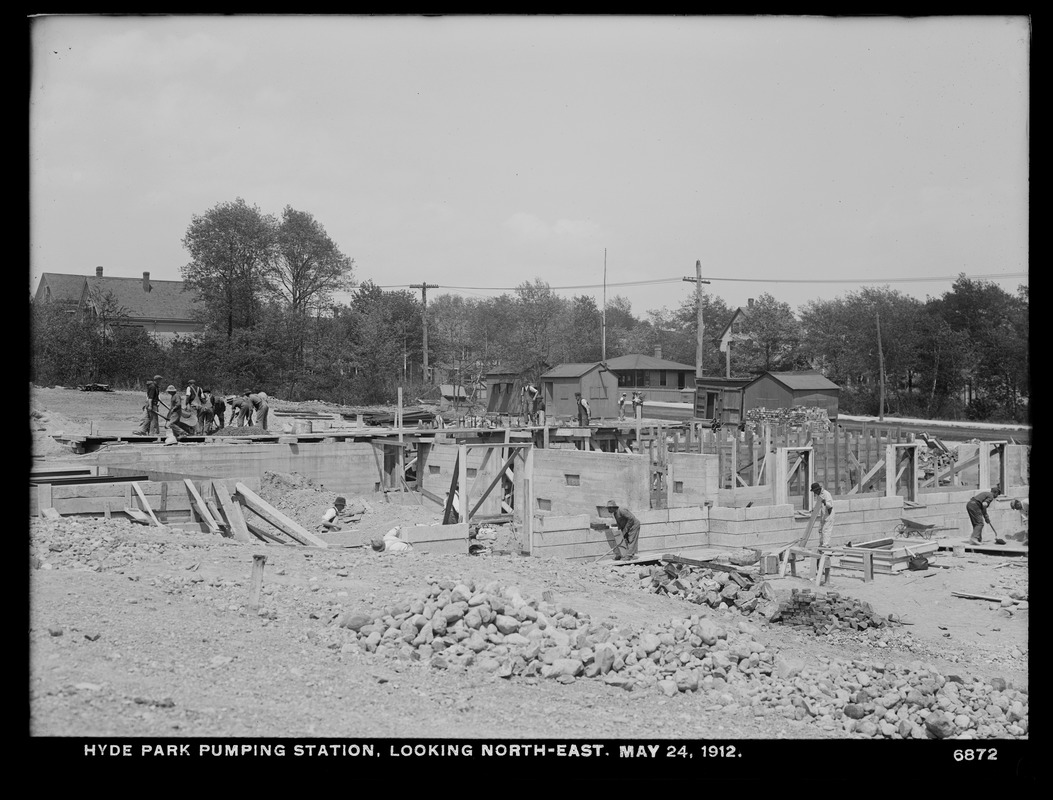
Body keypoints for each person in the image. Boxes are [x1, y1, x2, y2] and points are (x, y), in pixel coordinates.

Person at [810, 482, 835, 548]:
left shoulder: (826, 494)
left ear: (818, 489)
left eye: (815, 491)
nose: (815, 493)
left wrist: (825, 502)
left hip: (829, 514)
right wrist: (814, 509)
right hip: (823, 514)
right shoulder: (819, 495)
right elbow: (819, 505)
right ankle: (821, 544)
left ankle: (826, 545)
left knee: (826, 530)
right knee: (820, 529)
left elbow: (830, 505)